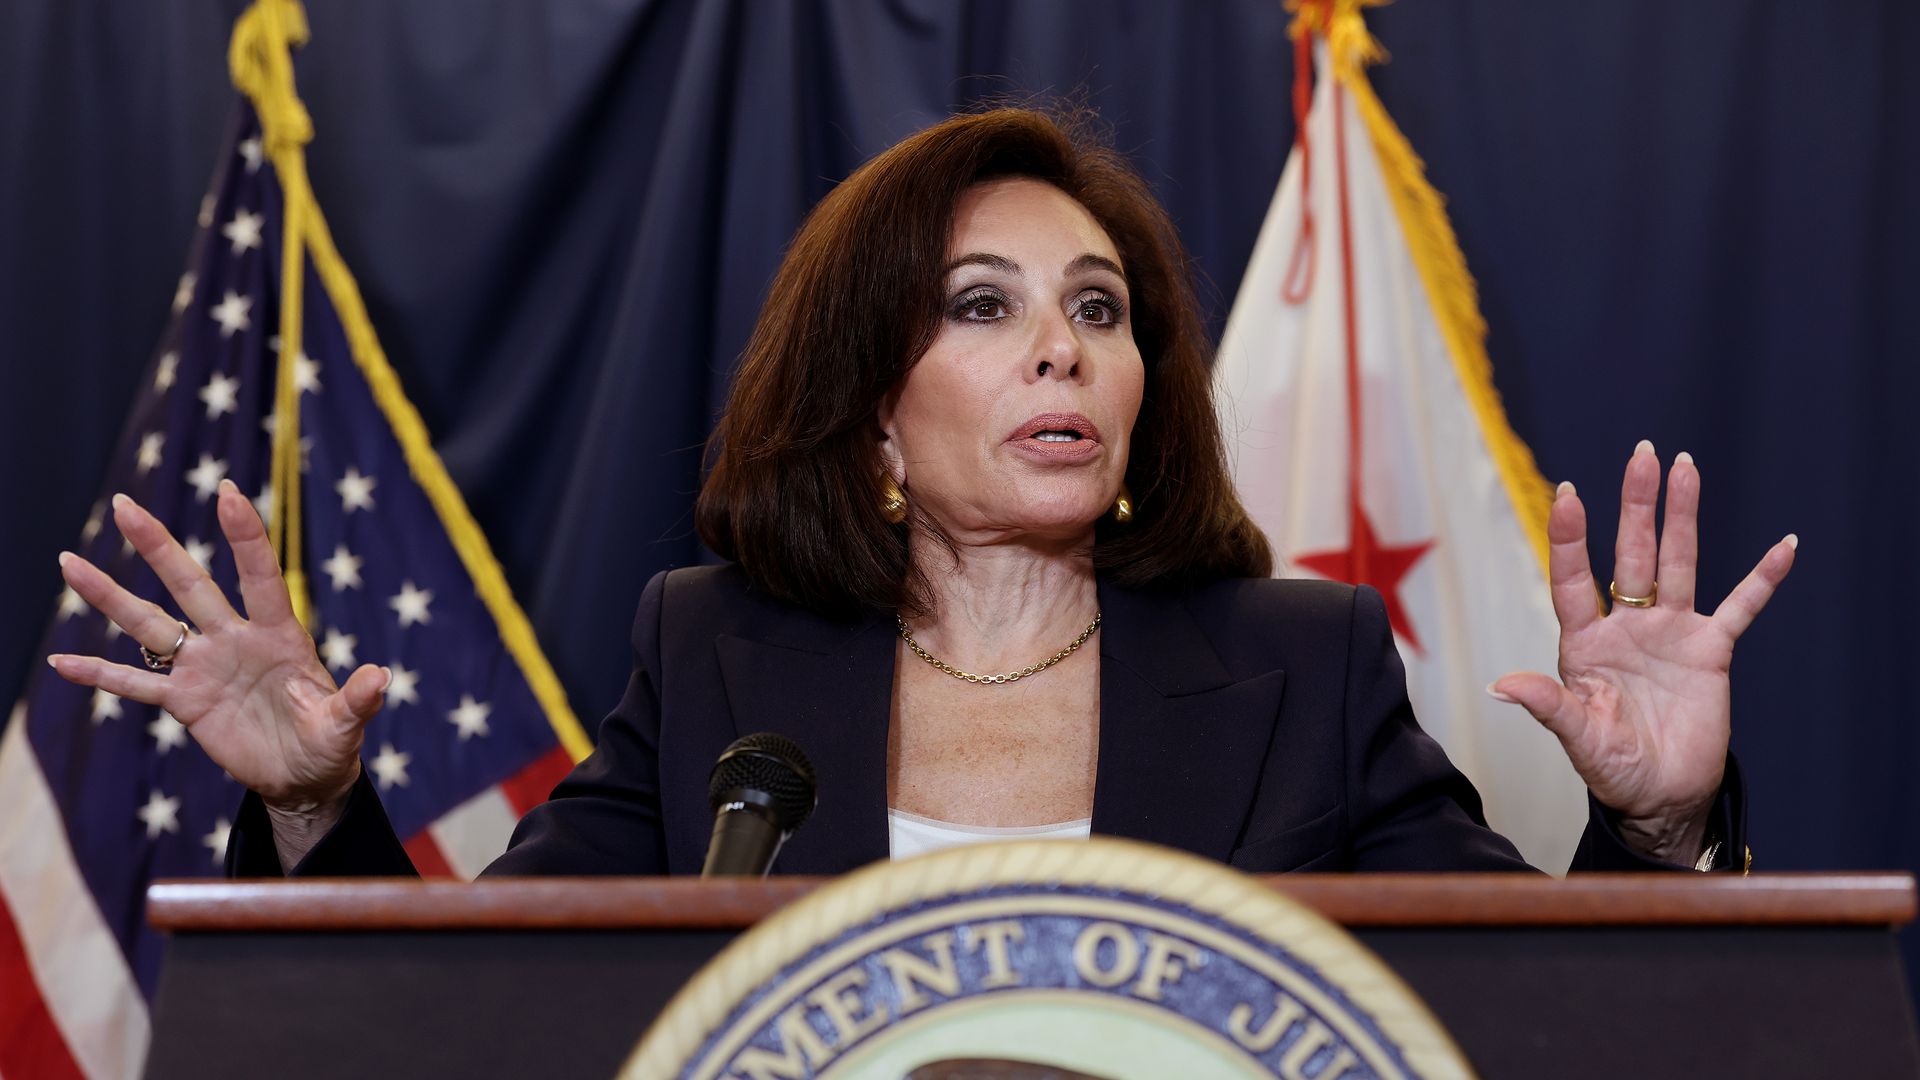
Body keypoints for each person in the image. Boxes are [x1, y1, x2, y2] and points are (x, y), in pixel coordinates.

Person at [47, 109, 1795, 878]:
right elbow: (500, 1012)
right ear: (872, 419)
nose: (1064, 351)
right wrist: (309, 805)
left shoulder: (1307, 662)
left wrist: (1655, 826)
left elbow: (1531, 1017)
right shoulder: (719, 657)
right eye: (986, 308)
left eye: (1099, 312)